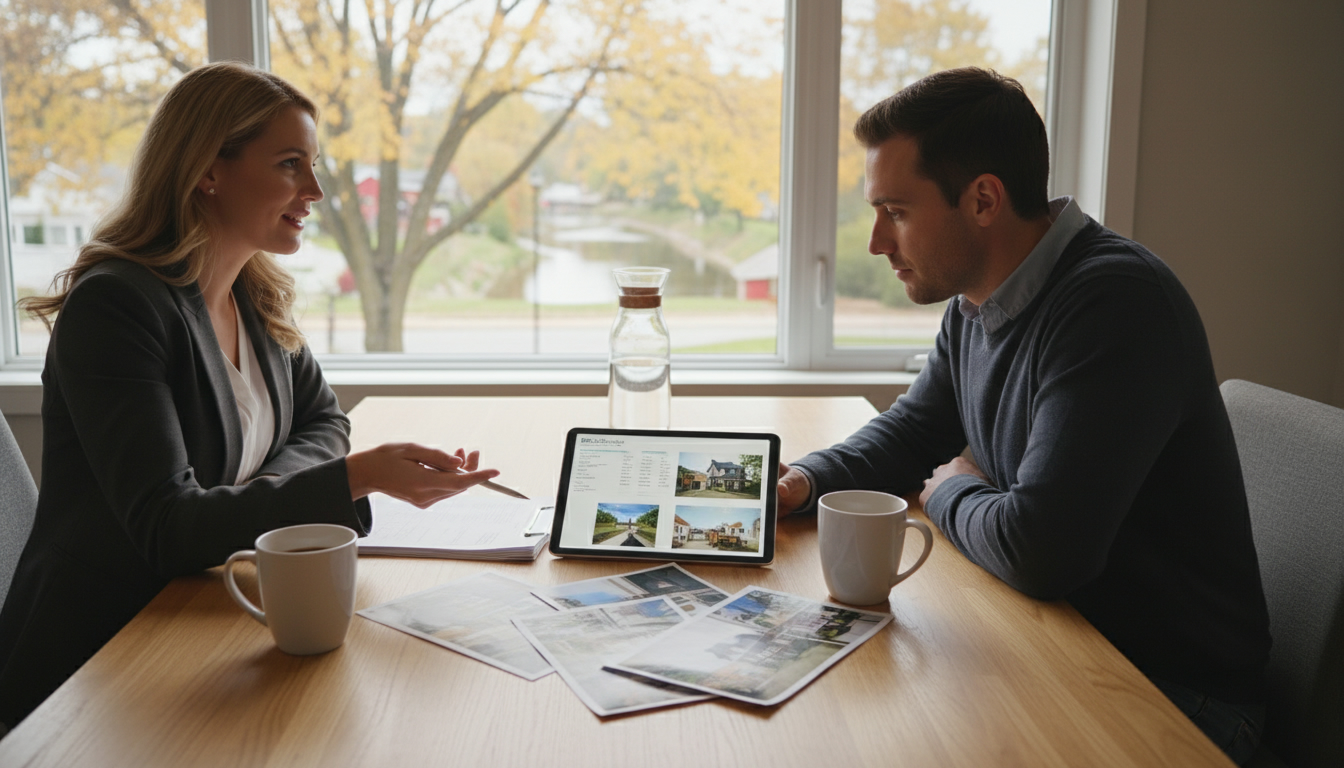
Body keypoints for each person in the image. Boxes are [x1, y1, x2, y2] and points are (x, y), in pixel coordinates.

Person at [776, 67, 1271, 765]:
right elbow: (918, 430)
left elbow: (1041, 552)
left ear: (982, 199)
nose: (877, 244)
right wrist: (803, 479)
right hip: (1058, 644)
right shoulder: (977, 299)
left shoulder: (1114, 305)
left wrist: (947, 490)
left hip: (1175, 701)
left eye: (897, 212)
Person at [0, 62, 499, 731]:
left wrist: (262, 497)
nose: (316, 190)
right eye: (291, 164)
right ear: (209, 169)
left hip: (211, 612)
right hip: (104, 661)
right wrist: (356, 478)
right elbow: (170, 528)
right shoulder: (117, 308)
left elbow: (322, 420)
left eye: (313, 164)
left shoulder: (253, 291)